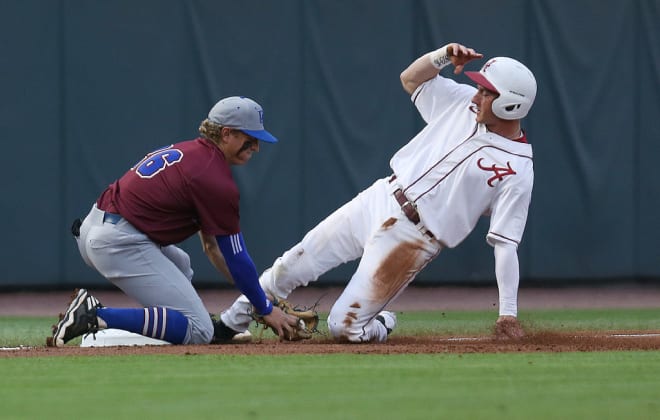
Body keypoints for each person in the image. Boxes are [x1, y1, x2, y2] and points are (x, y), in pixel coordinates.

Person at [214, 42, 537, 343]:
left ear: (511, 104)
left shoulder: (518, 168)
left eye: (486, 91)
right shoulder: (462, 102)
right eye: (479, 88)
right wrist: (441, 56)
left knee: (344, 327)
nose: (476, 96)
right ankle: (230, 323)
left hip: (414, 238)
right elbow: (410, 79)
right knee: (290, 265)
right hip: (380, 197)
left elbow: (505, 244)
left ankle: (381, 322)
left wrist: (508, 313)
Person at [48, 96, 301, 347]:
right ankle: (95, 315)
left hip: (98, 227)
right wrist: (265, 307)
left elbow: (212, 248)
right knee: (199, 331)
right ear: (226, 134)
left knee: (181, 264)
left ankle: (184, 323)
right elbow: (236, 258)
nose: (256, 146)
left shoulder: (191, 153)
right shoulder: (214, 178)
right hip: (117, 241)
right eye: (250, 138)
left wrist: (261, 303)